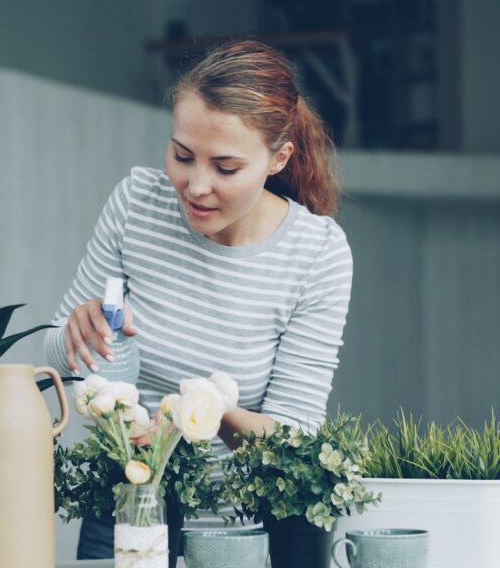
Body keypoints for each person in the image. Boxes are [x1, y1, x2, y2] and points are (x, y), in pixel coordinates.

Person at [44, 39, 353, 560]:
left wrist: (207, 410)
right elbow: (59, 363)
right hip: (127, 507)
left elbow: (291, 441)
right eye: (182, 156)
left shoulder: (315, 253)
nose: (196, 186)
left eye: (226, 168)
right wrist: (76, 332)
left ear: (278, 159)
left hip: (241, 533)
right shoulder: (137, 205)